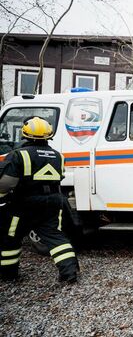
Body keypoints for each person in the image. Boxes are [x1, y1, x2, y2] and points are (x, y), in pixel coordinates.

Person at [0, 117, 79, 283]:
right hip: (53, 201)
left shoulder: (18, 155)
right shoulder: (59, 156)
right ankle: (69, 273)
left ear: (25, 135)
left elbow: (6, 183)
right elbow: (60, 176)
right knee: (55, 237)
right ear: (48, 136)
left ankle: (8, 274)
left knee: (11, 237)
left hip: (23, 203)